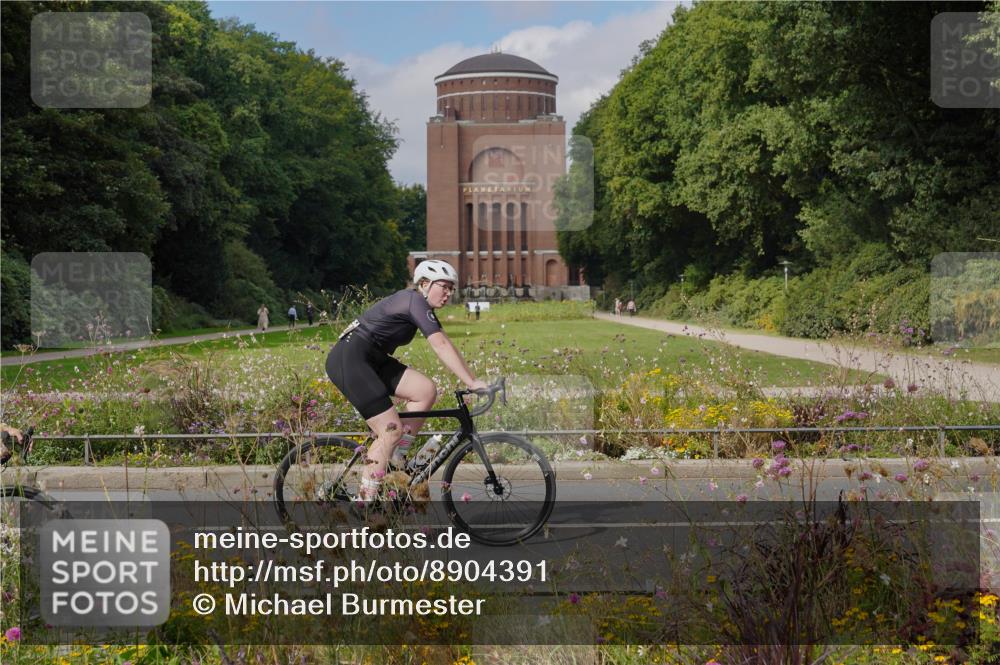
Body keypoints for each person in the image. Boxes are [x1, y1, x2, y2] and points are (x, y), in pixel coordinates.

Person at [325, 260, 488, 502]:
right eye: (444, 286)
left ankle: (395, 457)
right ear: (424, 284)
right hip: (350, 359)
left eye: (451, 289)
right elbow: (440, 346)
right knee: (389, 431)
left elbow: (445, 341)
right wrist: (473, 384)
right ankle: (365, 502)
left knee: (425, 390)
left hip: (373, 359)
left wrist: (473, 378)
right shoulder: (413, 301)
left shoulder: (420, 305)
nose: (449, 293)